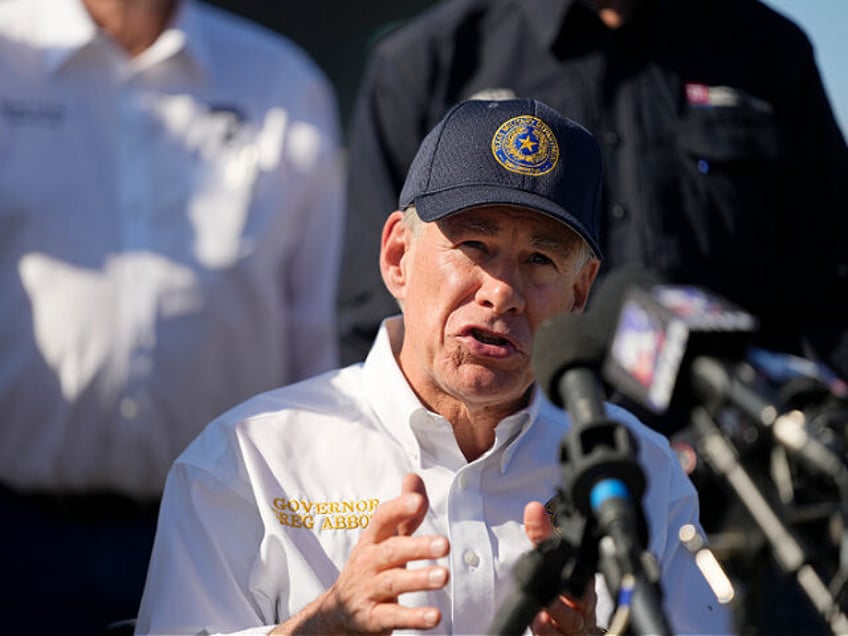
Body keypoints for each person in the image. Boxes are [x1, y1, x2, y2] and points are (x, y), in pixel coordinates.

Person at [136, 98, 731, 635]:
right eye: (475, 246)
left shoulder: (641, 474)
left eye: (541, 259)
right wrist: (323, 627)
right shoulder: (247, 458)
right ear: (398, 256)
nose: (502, 292)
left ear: (580, 293)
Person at [0, 0, 343, 633]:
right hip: (13, 533)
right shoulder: (7, 54)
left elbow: (314, 337)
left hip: (224, 535)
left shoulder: (280, 83)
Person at [338, 0, 848, 387]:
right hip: (517, 475)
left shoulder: (769, 52)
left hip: (742, 478)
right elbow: (375, 318)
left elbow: (834, 291)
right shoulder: (427, 62)